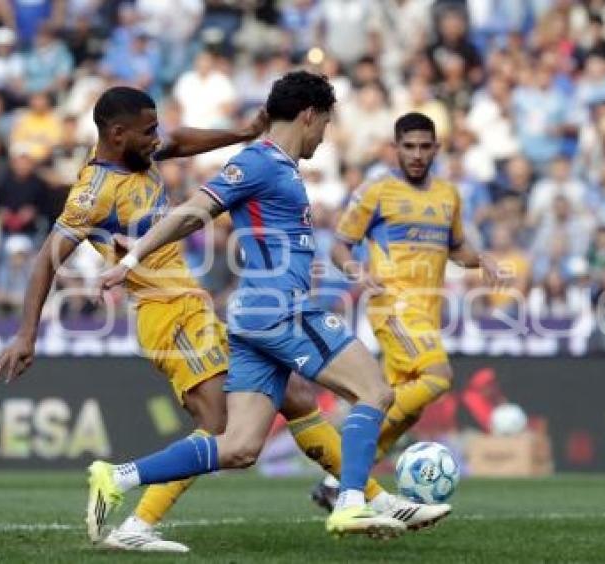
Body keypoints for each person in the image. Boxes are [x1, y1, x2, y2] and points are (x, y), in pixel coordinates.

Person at [96, 72, 427, 541]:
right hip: (282, 309)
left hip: (253, 317)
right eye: (325, 124)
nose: (324, 135)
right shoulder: (260, 161)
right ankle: (351, 501)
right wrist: (132, 257)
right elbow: (195, 210)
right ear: (309, 115)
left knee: (238, 446)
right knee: (375, 391)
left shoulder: (278, 166)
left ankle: (117, 478)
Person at [309, 112, 500, 508]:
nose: (416, 154)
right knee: (438, 376)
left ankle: (336, 482)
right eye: (408, 147)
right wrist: (356, 271)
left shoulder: (448, 195)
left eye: (423, 147)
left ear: (436, 148)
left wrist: (481, 259)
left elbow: (456, 248)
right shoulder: (376, 191)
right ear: (395, 148)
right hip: (392, 305)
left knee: (407, 413)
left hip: (427, 312)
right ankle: (355, 433)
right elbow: (340, 244)